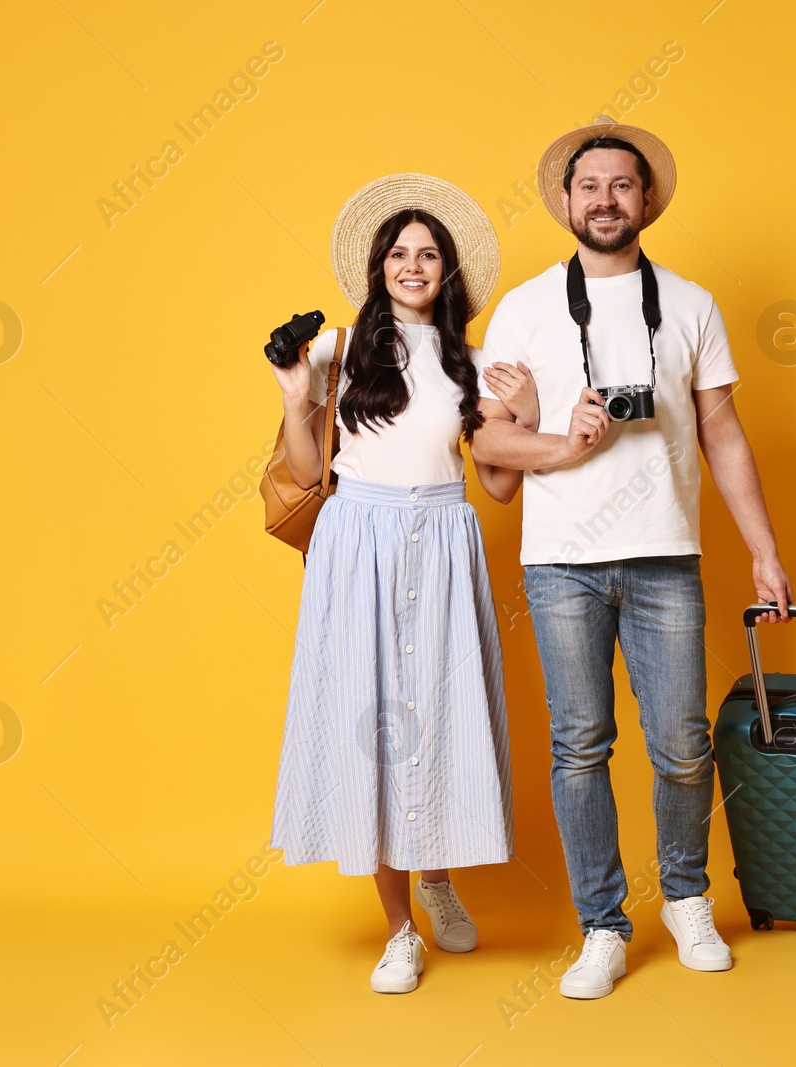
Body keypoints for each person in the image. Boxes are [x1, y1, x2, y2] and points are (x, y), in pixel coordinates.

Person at [470, 119, 794, 1000]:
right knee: (579, 745)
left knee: (682, 745)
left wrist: (764, 551)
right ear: (565, 201)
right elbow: (490, 444)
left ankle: (687, 896)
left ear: (646, 200)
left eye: (622, 186)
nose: (605, 200)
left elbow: (723, 431)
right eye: (590, 187)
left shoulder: (688, 301)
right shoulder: (527, 307)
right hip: (561, 560)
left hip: (665, 556)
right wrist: (555, 430)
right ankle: (602, 925)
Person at [267, 173, 538, 994]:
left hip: (444, 542)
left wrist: (522, 416)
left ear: (446, 273)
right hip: (358, 545)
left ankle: (440, 878)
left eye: (428, 254)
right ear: (378, 264)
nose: (412, 264)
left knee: (444, 717)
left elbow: (496, 487)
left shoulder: (481, 364)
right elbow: (310, 470)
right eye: (399, 252)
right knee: (372, 722)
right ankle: (399, 929)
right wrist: (292, 395)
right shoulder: (338, 349)